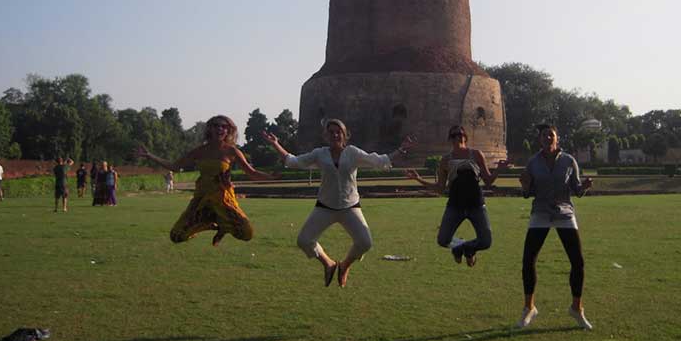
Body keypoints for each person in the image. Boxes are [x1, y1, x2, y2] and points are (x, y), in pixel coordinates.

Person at [263, 119, 416, 288]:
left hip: (349, 206)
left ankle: (344, 266)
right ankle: (328, 263)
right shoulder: (319, 154)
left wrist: (401, 149)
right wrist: (275, 144)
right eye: (331, 132)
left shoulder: (352, 153)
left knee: (365, 242)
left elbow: (378, 161)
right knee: (304, 240)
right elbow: (294, 161)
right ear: (326, 135)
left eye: (338, 132)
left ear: (344, 135)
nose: (335, 135)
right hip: (325, 206)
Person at [136, 115, 276, 247]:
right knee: (177, 236)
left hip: (223, 199)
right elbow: (175, 166)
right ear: (210, 129)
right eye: (216, 125)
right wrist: (149, 155)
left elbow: (252, 173)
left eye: (224, 126)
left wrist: (272, 177)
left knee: (247, 234)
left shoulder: (231, 151)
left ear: (228, 130)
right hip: (201, 198)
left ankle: (223, 227)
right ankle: (207, 224)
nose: (220, 129)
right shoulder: (200, 151)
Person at [516, 124, 594, 330]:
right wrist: (524, 186)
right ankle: (529, 308)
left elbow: (576, 190)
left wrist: (584, 187)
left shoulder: (569, 161)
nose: (548, 138)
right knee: (528, 261)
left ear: (557, 138)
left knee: (578, 262)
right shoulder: (533, 162)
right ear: (540, 139)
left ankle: (577, 308)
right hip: (541, 212)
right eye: (544, 135)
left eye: (551, 135)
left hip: (564, 212)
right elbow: (527, 193)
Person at [406, 125, 509, 267]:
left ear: (465, 137)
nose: (458, 137)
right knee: (443, 240)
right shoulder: (446, 160)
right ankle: (460, 246)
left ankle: (466, 249)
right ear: (450, 139)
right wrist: (418, 179)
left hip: (476, 204)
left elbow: (488, 181)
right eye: (454, 135)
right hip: (455, 205)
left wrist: (499, 170)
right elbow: (440, 188)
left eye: (460, 134)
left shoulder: (476, 154)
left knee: (486, 241)